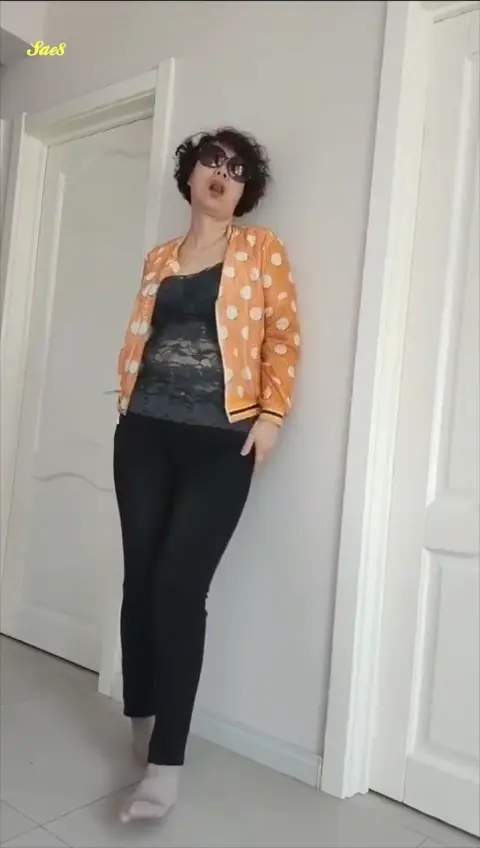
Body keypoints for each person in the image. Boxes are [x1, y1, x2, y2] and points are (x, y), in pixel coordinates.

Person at [114, 127, 300, 823]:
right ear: (190, 175)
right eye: (211, 162)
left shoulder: (260, 250)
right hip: (143, 434)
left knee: (179, 585)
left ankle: (166, 766)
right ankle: (142, 712)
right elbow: (143, 338)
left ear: (245, 192)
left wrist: (272, 416)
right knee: (140, 578)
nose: (222, 174)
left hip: (222, 442)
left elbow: (283, 335)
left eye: (237, 169)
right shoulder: (159, 258)